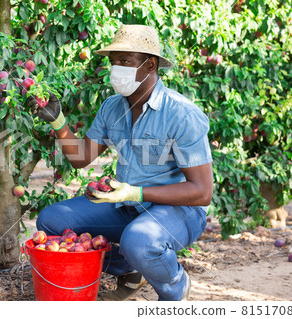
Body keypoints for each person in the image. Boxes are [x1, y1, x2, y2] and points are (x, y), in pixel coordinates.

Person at [25, 24, 213, 301]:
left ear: (150, 65)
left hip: (177, 210)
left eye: (125, 61)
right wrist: (58, 121)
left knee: (140, 240)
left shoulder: (181, 114)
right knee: (52, 221)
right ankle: (130, 267)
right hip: (127, 205)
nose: (116, 69)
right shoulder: (112, 107)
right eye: (113, 62)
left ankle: (174, 286)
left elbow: (201, 192)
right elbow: (81, 158)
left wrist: (135, 192)